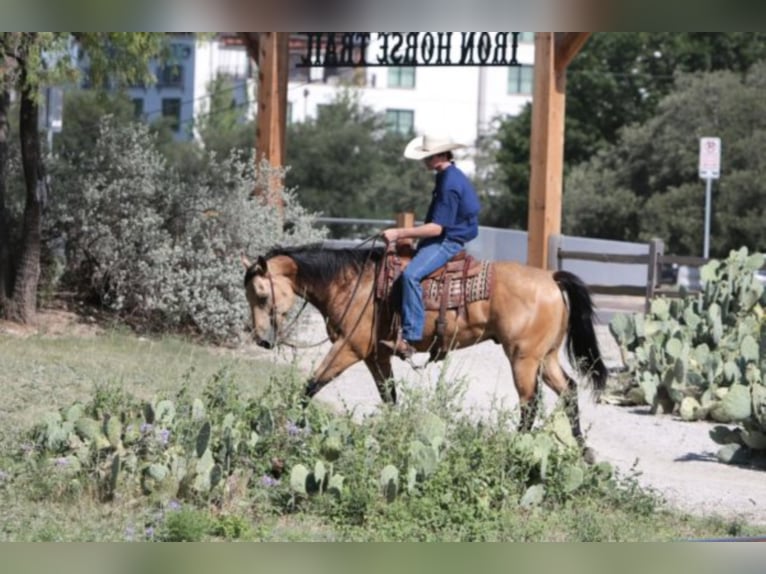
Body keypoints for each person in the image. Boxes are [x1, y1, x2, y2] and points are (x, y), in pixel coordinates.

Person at [381, 133, 481, 359]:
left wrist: (399, 232)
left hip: (447, 241)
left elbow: (436, 228)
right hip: (448, 236)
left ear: (442, 155)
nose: (425, 161)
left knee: (410, 276)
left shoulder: (449, 182)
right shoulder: (448, 176)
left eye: (429, 157)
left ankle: (411, 335)